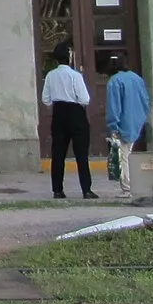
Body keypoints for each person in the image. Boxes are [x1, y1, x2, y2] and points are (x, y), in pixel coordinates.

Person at [40, 42, 95, 199]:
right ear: (69, 58)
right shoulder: (75, 76)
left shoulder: (50, 75)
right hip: (75, 112)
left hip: (58, 113)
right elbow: (85, 99)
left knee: (58, 153)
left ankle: (57, 190)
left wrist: (56, 103)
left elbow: (45, 99)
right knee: (81, 154)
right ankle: (86, 189)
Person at [103, 61, 151, 201]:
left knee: (123, 156)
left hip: (122, 123)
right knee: (128, 153)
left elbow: (114, 106)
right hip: (136, 121)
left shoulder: (115, 81)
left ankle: (128, 187)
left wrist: (113, 126)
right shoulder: (136, 78)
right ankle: (132, 185)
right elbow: (145, 100)